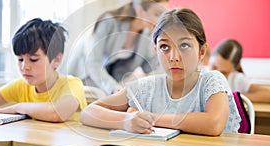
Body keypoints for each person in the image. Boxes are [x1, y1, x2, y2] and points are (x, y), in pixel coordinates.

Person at [80, 8, 241, 136]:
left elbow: (213, 123)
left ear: (202, 51)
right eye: (164, 47)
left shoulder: (211, 80)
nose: (173, 57)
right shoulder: (144, 87)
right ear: (155, 49)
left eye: (184, 45)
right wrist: (127, 119)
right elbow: (88, 113)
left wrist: (150, 118)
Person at [0, 18, 87, 146]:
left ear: (56, 60)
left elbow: (57, 113)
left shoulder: (72, 84)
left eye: (33, 59)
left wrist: (17, 107)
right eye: (20, 59)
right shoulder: (22, 85)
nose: (24, 67)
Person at [67, 0, 169, 95]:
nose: (160, 20)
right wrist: (113, 87)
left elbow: (148, 67)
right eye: (157, 14)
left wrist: (161, 51)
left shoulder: (147, 35)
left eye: (163, 15)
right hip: (84, 74)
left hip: (109, 82)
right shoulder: (109, 22)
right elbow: (93, 62)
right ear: (140, 10)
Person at [209, 39, 270, 103]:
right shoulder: (202, 72)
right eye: (214, 67)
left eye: (224, 72)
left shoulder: (236, 79)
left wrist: (235, 97)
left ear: (234, 68)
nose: (217, 74)